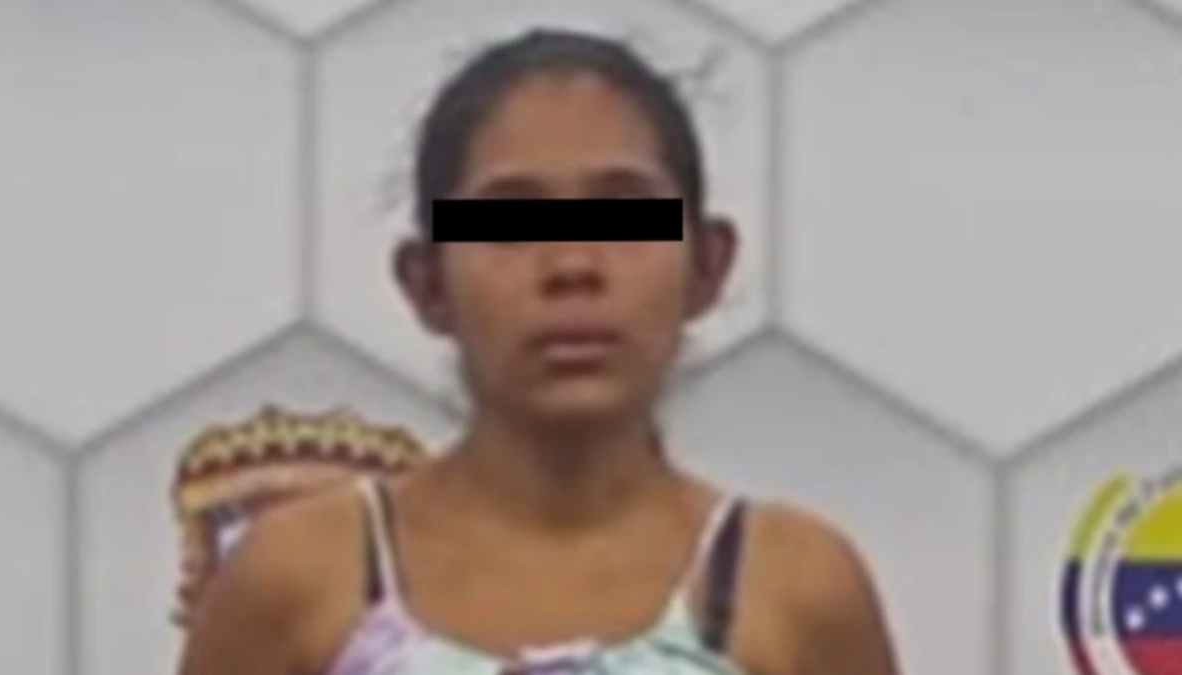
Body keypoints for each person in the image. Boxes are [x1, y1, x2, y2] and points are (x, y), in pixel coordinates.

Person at [178, 28, 902, 675]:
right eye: (509, 219)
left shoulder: (797, 588)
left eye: (624, 213)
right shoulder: (297, 581)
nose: (572, 264)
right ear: (427, 282)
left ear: (707, 266)